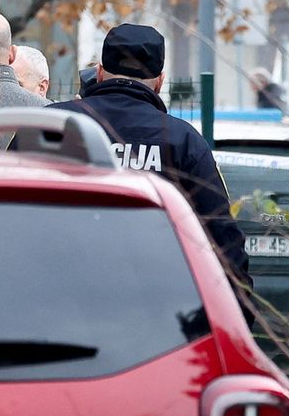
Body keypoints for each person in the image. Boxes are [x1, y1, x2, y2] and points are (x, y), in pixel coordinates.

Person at [70, 26, 239, 273]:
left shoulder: (53, 125)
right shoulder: (182, 141)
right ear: (160, 81)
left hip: (55, 289)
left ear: (99, 72)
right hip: (157, 296)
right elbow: (222, 236)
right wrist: (240, 304)